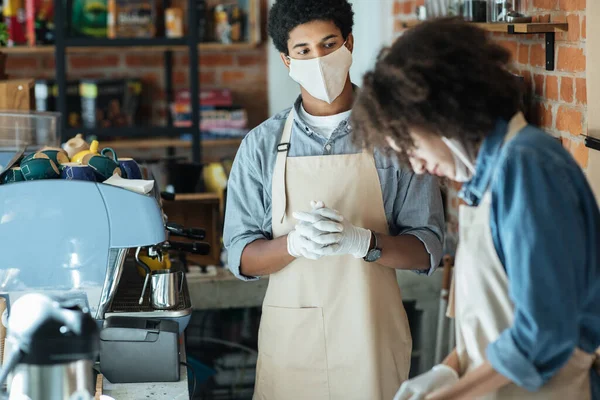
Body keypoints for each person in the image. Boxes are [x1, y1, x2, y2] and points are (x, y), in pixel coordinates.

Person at [350, 17, 600, 400]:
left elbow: (544, 332)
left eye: (411, 145)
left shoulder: (527, 168)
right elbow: (490, 324)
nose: (416, 166)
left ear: (441, 111)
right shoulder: (484, 180)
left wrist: (451, 394)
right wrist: (446, 370)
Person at [223, 0, 445, 398]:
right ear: (287, 60)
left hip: (371, 339)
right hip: (293, 345)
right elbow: (240, 255)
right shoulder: (260, 146)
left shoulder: (395, 137)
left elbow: (426, 250)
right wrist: (293, 245)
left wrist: (364, 243)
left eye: (328, 45)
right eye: (303, 51)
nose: (318, 59)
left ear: (349, 43)